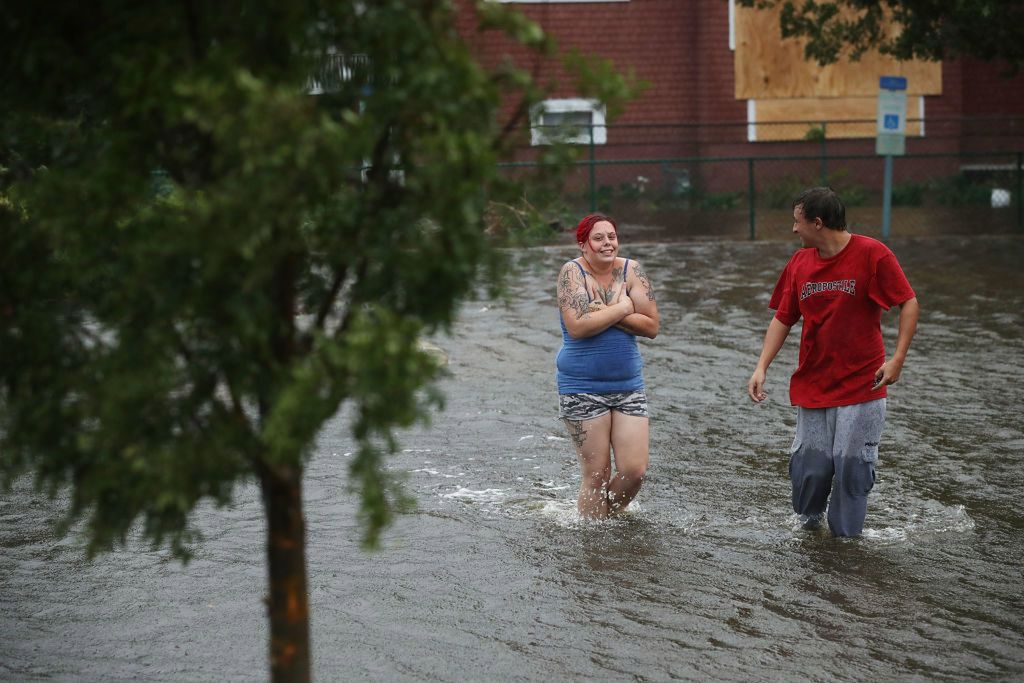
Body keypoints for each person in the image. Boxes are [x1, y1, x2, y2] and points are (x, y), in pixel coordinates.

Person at [747, 187, 919, 537]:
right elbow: (783, 318)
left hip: (862, 383)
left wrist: (898, 358)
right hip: (814, 382)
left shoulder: (873, 254)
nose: (794, 230)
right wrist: (761, 366)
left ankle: (846, 546)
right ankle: (810, 537)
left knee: (851, 467)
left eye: (798, 222)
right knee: (811, 470)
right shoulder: (799, 263)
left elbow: (909, 302)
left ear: (818, 222)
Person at [556, 213, 660, 518]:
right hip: (581, 388)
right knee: (597, 475)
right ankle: (593, 542)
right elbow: (578, 326)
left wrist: (612, 311)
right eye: (598, 238)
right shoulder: (571, 273)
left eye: (611, 236)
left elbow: (652, 326)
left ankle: (605, 521)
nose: (607, 243)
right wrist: (626, 306)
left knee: (634, 470)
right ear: (583, 244)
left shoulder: (631, 270)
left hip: (628, 385)